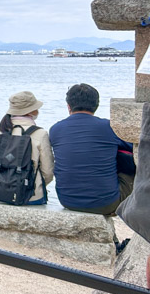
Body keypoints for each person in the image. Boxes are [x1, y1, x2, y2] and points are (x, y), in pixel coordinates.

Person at [49, 83, 135, 215]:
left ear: (69, 106)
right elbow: (134, 147)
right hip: (106, 204)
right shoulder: (109, 127)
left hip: (67, 200)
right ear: (96, 105)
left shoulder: (55, 129)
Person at [0, 91, 54, 205]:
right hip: (32, 196)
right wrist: (35, 185)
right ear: (32, 111)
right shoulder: (40, 133)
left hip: (1, 193)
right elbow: (48, 171)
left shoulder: (1, 131)